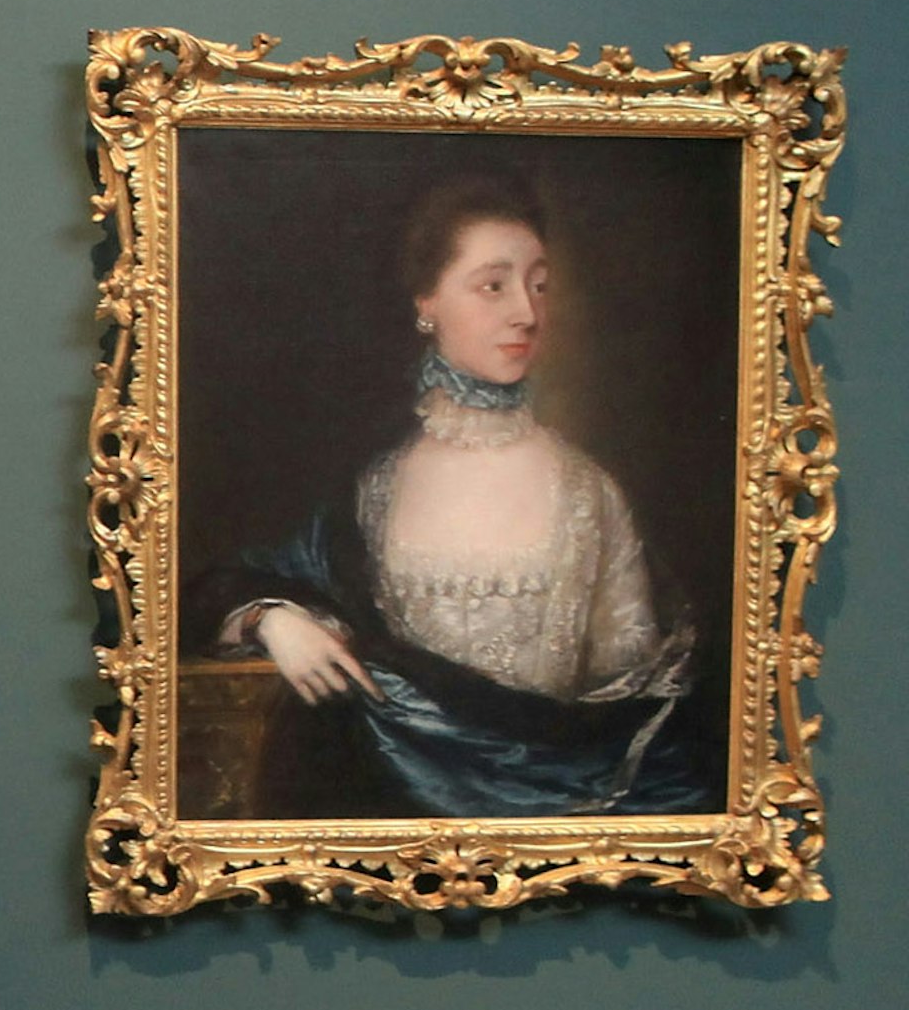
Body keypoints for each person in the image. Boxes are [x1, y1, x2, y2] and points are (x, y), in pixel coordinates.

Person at [199, 171, 712, 818]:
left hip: (569, 817)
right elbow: (238, 579)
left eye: (539, 285)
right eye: (493, 286)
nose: (526, 312)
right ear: (426, 302)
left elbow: (629, 705)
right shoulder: (368, 489)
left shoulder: (589, 492)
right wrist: (273, 618)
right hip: (384, 808)